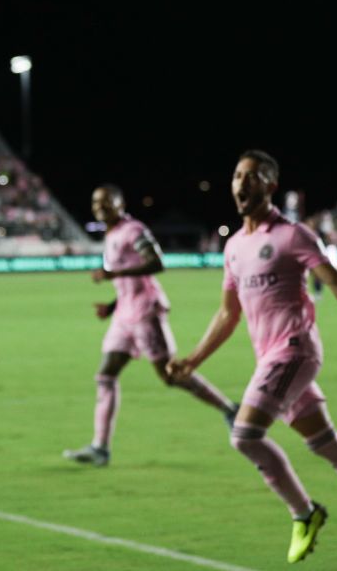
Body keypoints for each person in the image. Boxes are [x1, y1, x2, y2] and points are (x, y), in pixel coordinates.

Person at [168, 150, 337, 563]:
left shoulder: (292, 235)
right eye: (237, 175)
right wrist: (193, 360)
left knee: (245, 435)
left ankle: (305, 513)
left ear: (271, 185)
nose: (242, 183)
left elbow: (335, 282)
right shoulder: (234, 247)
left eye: (253, 176)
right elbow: (229, 314)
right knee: (323, 442)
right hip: (269, 356)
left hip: (294, 351)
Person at [63, 185, 237, 468]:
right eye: (96, 203)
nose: (101, 207)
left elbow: (157, 263)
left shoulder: (133, 230)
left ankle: (230, 409)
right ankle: (100, 447)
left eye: (107, 202)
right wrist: (111, 305)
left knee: (169, 375)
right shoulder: (110, 235)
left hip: (146, 312)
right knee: (105, 375)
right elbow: (125, 284)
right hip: (124, 314)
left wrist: (113, 273)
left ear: (120, 203)